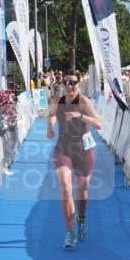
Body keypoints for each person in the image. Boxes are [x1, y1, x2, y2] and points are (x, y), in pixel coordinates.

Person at [47, 70, 102, 250]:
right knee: (64, 188)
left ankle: (81, 220)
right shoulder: (58, 101)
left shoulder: (84, 101)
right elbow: (53, 114)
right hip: (63, 147)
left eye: (73, 82)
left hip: (82, 148)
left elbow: (98, 123)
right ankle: (70, 232)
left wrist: (81, 116)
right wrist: (50, 126)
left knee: (82, 192)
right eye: (67, 83)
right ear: (63, 84)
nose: (70, 86)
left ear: (79, 84)